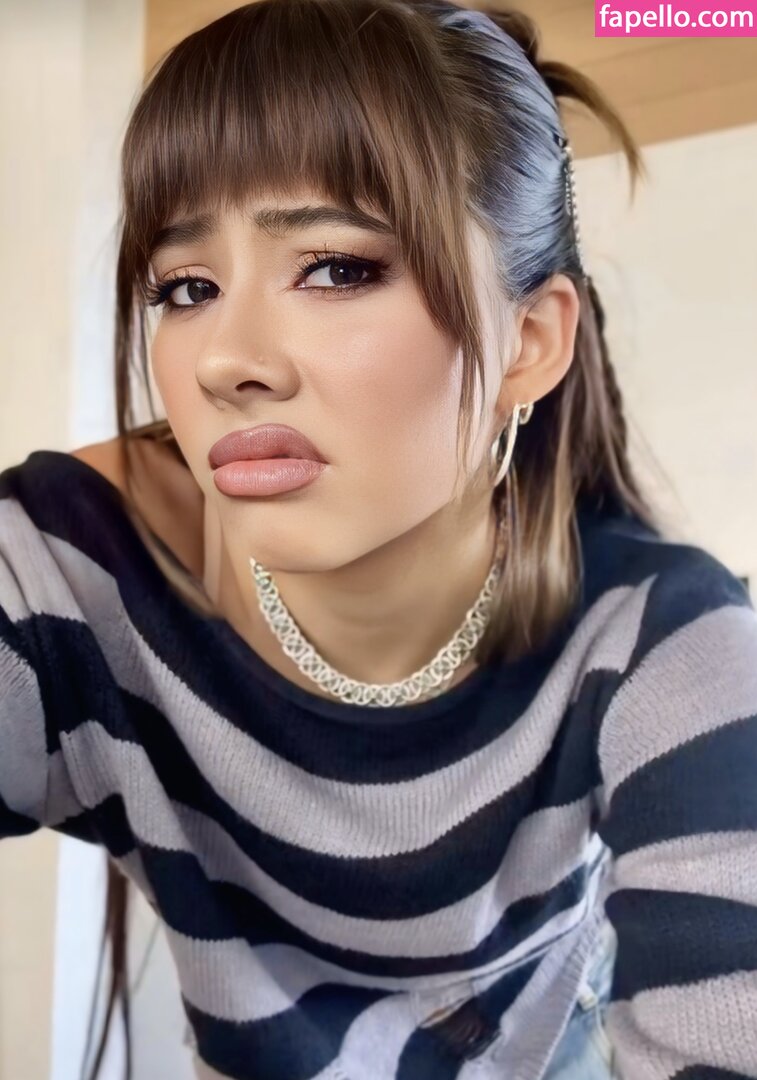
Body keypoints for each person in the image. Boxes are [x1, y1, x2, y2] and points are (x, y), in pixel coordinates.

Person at [1, 1, 756, 1078]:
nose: (225, 361)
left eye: (336, 268)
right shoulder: (65, 567)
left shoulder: (665, 639)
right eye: (186, 288)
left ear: (527, 342)